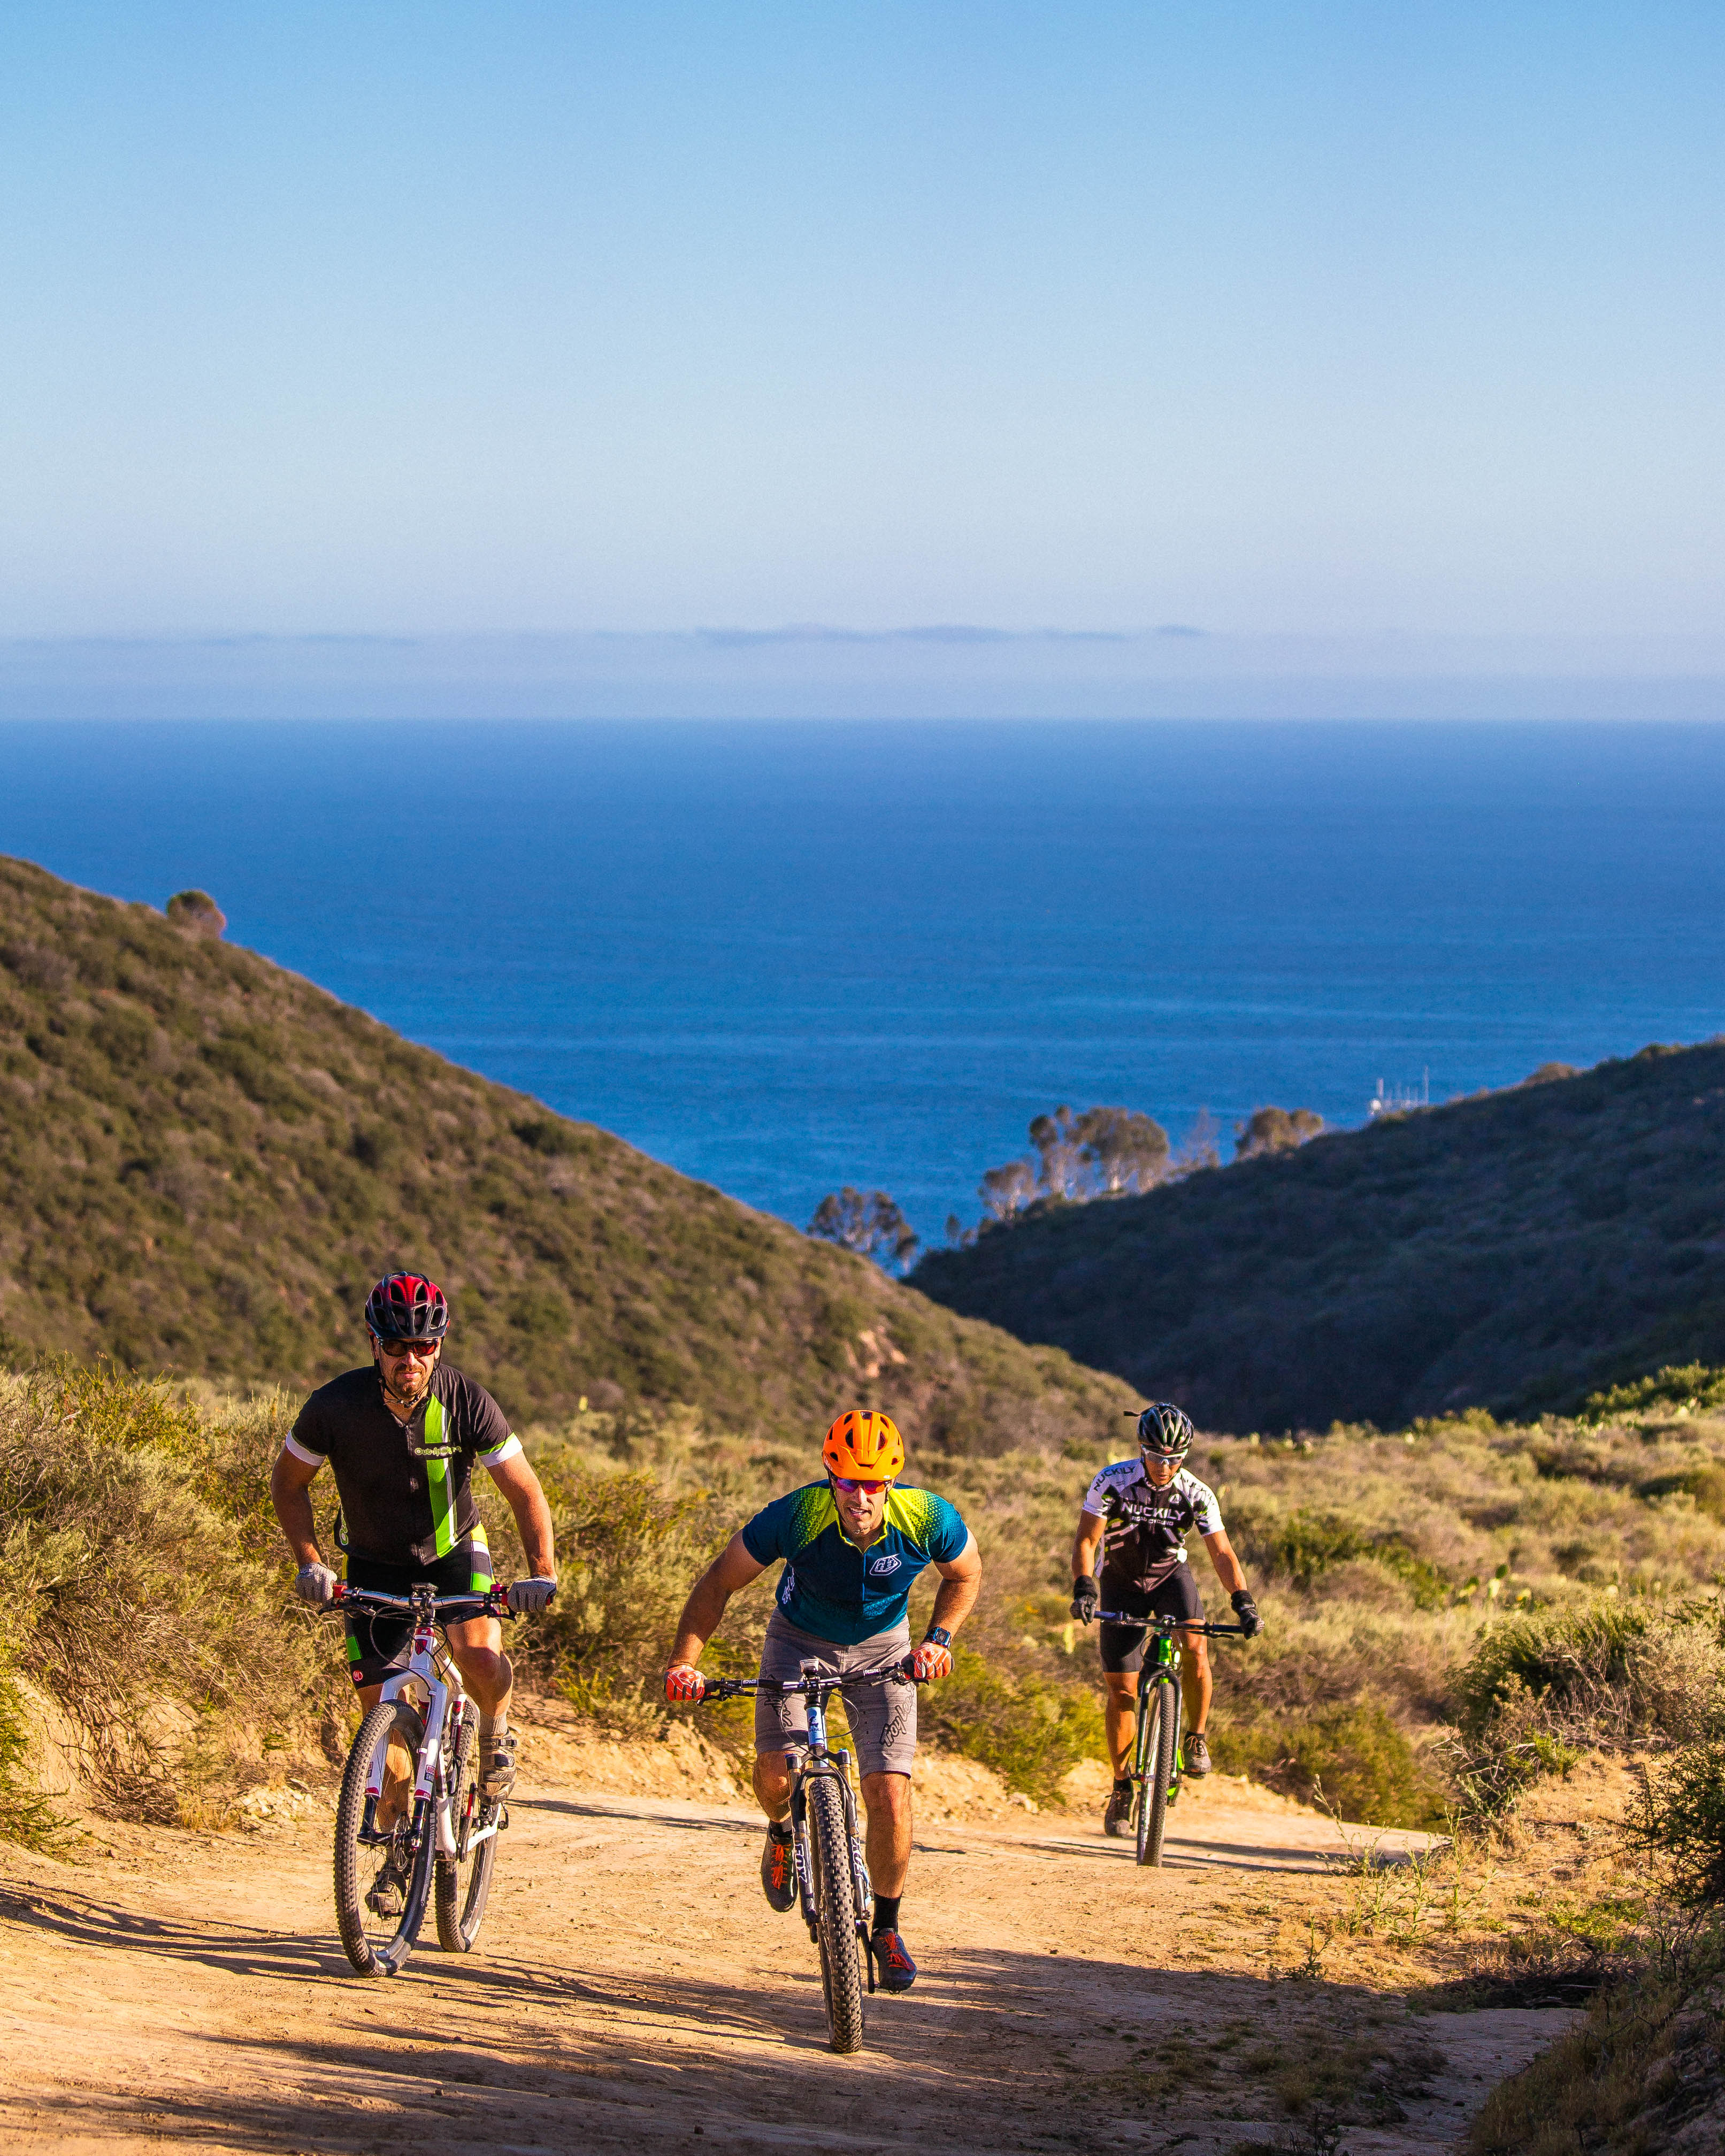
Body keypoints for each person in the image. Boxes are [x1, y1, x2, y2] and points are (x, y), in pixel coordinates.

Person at [663, 1409, 981, 1993]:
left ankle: (885, 1927)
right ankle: (782, 1832)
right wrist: (685, 1661)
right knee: (776, 1774)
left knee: (889, 1790)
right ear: (830, 1475)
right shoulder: (797, 1515)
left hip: (886, 1648)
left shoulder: (930, 1516)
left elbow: (966, 1575)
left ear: (891, 1481)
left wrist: (939, 1640)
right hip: (798, 1639)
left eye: (873, 1482)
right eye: (848, 1481)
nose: (860, 1496)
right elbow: (718, 1582)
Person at [270, 1270, 558, 1863]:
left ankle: (495, 1733)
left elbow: (524, 1491)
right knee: (388, 1742)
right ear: (374, 1343)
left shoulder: (467, 1401)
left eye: (424, 1345)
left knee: (479, 1656)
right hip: (373, 1565)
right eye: (397, 1345)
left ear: (440, 1344)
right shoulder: (335, 1405)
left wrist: (542, 1572)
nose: (411, 1358)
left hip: (454, 1555)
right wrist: (310, 1563)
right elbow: (288, 1482)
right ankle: (397, 1857)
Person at [1068, 1402, 1261, 1837]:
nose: (1165, 1466)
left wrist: (1243, 1601)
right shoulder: (1113, 1481)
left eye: (1175, 1458)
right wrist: (1084, 1586)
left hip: (1169, 1577)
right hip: (1118, 1581)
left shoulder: (1196, 1492)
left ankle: (1195, 1736)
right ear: (1141, 1449)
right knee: (1122, 1692)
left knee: (1195, 1645)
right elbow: (1086, 1538)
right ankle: (1122, 1788)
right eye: (1156, 1456)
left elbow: (1222, 1552)